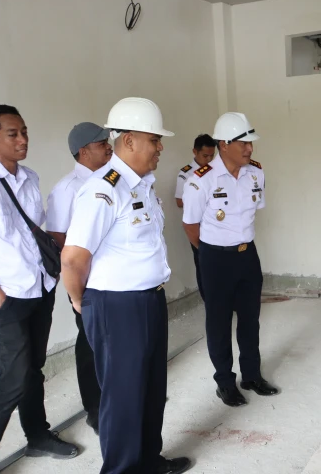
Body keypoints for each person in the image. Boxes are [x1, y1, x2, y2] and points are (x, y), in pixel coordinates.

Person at [61, 98, 191, 474]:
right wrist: (81, 302)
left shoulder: (142, 186)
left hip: (149, 300)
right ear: (129, 140)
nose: (160, 147)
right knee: (122, 398)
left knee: (151, 389)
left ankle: (148, 461)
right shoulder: (103, 189)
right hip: (116, 307)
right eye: (155, 139)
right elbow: (72, 259)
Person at [0, 105, 79, 474]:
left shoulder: (30, 177)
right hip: (6, 297)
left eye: (24, 131)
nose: (23, 139)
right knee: (12, 379)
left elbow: (32, 232)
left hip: (39, 288)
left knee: (33, 369)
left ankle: (37, 436)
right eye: (13, 134)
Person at [182, 112, 279, 407]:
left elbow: (252, 212)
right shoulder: (200, 181)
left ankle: (252, 376)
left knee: (250, 319)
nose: (250, 149)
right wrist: (211, 253)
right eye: (243, 144)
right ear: (223, 144)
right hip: (215, 259)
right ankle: (225, 382)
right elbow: (191, 225)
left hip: (247, 255)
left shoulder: (256, 174)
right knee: (219, 322)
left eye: (251, 143)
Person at [46, 122, 113, 434]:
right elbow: (59, 239)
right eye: (102, 144)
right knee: (91, 345)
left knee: (115, 342)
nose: (109, 147)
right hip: (86, 281)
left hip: (114, 278)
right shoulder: (67, 189)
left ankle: (119, 397)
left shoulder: (112, 180)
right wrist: (79, 280)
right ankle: (95, 408)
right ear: (84, 152)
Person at [175, 134, 217, 301]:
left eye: (212, 155)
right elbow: (179, 201)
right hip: (197, 226)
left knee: (220, 265)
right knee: (203, 265)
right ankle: (208, 300)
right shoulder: (186, 173)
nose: (209, 160)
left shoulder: (216, 170)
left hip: (216, 225)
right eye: (205, 155)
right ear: (195, 152)